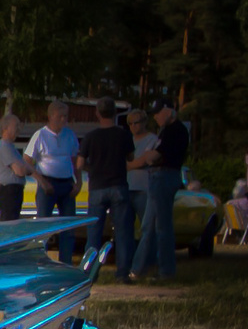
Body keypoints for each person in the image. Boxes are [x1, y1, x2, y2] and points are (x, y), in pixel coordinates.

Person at [76, 98, 135, 280]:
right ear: (115, 113)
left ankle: (90, 274)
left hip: (97, 187)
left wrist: (92, 169)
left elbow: (79, 164)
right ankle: (122, 273)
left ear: (97, 113)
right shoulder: (123, 135)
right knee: (123, 232)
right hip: (118, 185)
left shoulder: (91, 137)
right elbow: (131, 157)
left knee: (94, 233)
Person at [137, 97, 189, 279]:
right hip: (158, 176)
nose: (156, 117)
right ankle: (139, 268)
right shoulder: (165, 130)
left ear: (169, 110)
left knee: (162, 226)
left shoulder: (176, 131)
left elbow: (155, 155)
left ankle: (166, 270)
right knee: (148, 226)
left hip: (164, 176)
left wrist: (149, 157)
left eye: (159, 113)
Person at [24, 100, 80, 262]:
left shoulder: (70, 135)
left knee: (68, 226)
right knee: (43, 226)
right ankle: (41, 261)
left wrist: (79, 182)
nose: (63, 120)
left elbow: (76, 159)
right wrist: (41, 181)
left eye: (66, 116)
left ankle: (66, 262)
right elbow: (27, 160)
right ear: (50, 117)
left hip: (67, 183)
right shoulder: (40, 135)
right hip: (47, 182)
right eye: (60, 116)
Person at [0, 113, 33, 222]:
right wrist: (28, 169)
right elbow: (19, 171)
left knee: (13, 222)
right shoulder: (5, 146)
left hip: (13, 191)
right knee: (9, 225)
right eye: (16, 126)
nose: (18, 129)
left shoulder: (10, 146)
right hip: (8, 192)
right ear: (6, 128)